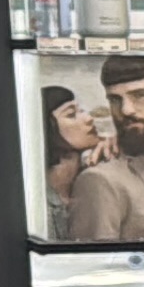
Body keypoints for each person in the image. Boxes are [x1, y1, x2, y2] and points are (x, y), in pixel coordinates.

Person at [65, 56, 144, 244]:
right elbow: (94, 260)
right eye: (115, 99)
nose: (126, 110)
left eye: (140, 95)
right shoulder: (100, 180)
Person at [40, 85, 107, 240]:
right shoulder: (40, 205)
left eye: (81, 111)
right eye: (71, 115)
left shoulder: (93, 177)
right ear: (47, 127)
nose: (89, 119)